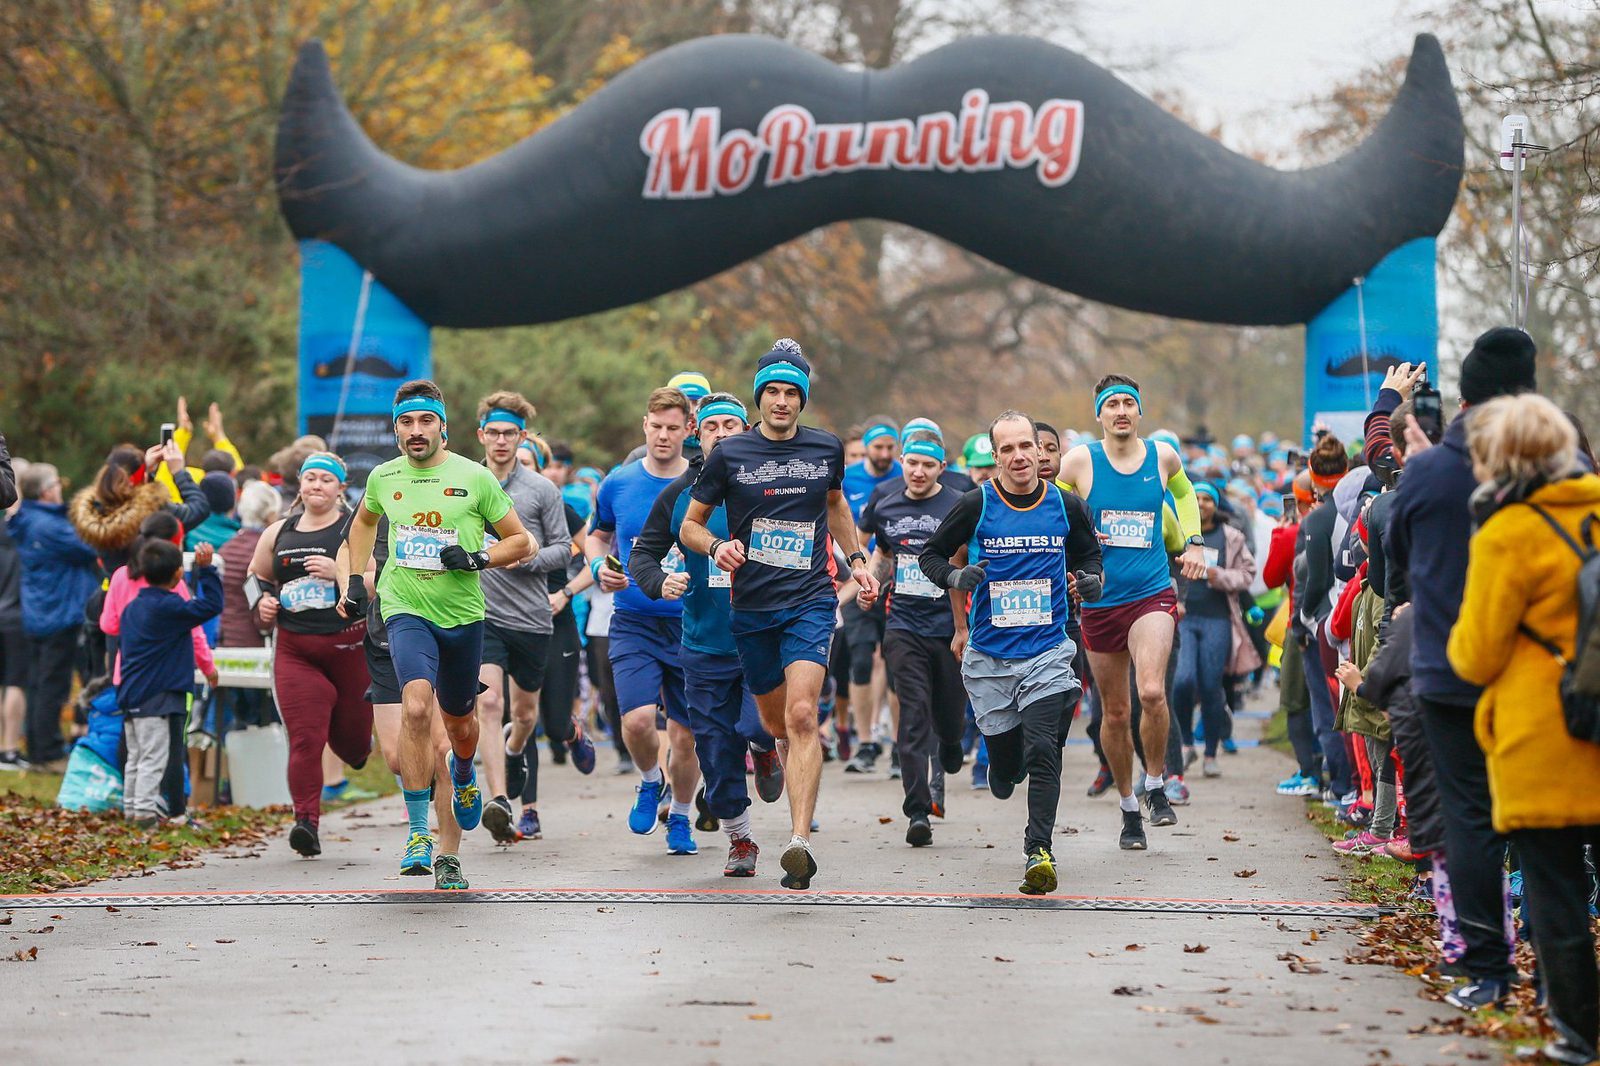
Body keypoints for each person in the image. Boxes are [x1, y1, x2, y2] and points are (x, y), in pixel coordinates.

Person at [681, 339, 881, 889]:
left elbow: (836, 505)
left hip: (811, 600)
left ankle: (798, 841)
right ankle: (765, 751)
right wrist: (714, 547)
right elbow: (690, 525)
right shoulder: (730, 455)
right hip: (752, 608)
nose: (782, 401)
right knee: (773, 723)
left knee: (801, 716)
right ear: (759, 397)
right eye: (773, 391)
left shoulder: (825, 449)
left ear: (803, 401)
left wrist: (857, 560)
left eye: (793, 393)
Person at [1447, 392, 1600, 1063]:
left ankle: (1577, 1034)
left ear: (1501, 459)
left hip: (1547, 738)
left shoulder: (1508, 532)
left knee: (1558, 893)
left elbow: (1475, 654)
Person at [1388, 327, 1536, 1009]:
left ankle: (1488, 970)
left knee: (1469, 820)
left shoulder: (1427, 472)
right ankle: (1559, 975)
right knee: (1545, 820)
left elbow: (1396, 554)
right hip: (1537, 671)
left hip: (1449, 672)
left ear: (1466, 395)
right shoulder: (1563, 462)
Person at [344, 380, 531, 891]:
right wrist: (358, 576)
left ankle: (466, 774)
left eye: (425, 421)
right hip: (405, 608)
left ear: (443, 427)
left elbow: (523, 542)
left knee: (461, 728)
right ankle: (419, 834)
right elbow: (362, 524)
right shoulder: (384, 478)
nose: (415, 431)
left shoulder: (473, 478)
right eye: (406, 422)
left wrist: (477, 558)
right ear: (396, 428)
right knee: (417, 706)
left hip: (463, 617)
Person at [919, 411, 1103, 892]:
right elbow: (931, 555)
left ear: (1042, 452)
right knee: (1005, 769)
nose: (1021, 457)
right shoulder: (975, 503)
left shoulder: (1066, 505)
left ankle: (1038, 851)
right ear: (995, 456)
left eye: (1029, 446)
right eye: (1009, 449)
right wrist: (956, 578)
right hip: (991, 657)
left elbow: (1090, 557)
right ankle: (1001, 762)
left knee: (1044, 748)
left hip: (1047, 649)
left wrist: (1092, 582)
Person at [630, 392, 784, 876]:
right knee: (714, 753)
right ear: (698, 433)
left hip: (762, 637)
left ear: (747, 431)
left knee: (757, 726)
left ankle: (762, 750)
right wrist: (661, 582)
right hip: (703, 644)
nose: (720, 433)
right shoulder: (680, 494)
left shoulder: (773, 488)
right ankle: (741, 839)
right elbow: (642, 555)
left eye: (730, 425)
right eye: (712, 425)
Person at [1059, 375, 1206, 850]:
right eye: (1112, 404)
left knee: (1151, 692)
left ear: (1139, 411)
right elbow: (1049, 510)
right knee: (1116, 713)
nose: (1121, 411)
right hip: (1100, 600)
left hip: (1151, 593)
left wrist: (1195, 541)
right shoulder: (1080, 460)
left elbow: (1185, 495)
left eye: (1129, 403)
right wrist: (1068, 557)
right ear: (1098, 414)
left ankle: (1157, 785)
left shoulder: (1163, 456)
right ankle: (1128, 809)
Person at [585, 387, 703, 854]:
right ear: (645, 425)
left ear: (687, 431)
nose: (664, 436)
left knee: (686, 735)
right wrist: (599, 568)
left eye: (674, 428)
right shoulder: (619, 482)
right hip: (633, 619)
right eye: (656, 427)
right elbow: (597, 537)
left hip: (690, 624)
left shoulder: (702, 487)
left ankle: (681, 816)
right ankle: (649, 780)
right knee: (635, 722)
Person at [472, 391, 581, 844]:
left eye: (509, 434)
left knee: (524, 713)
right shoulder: (465, 483)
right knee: (490, 704)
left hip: (533, 618)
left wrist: (527, 558)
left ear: (522, 438)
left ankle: (516, 751)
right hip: (481, 614)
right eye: (493, 433)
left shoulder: (542, 490)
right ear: (481, 435)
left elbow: (565, 547)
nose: (501, 441)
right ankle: (499, 799)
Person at [248, 453, 371, 858]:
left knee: (353, 746)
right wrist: (263, 604)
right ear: (299, 485)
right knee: (305, 738)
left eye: (326, 480)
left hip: (347, 647)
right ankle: (306, 822)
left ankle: (355, 751)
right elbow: (256, 577)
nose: (317, 485)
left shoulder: (353, 530)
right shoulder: (278, 532)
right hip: (296, 649)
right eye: (310, 478)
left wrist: (338, 575)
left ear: (340, 488)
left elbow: (376, 579)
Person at [861, 432, 966, 846]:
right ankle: (917, 810)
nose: (919, 472)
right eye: (913, 463)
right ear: (902, 462)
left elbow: (962, 559)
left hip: (947, 625)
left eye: (928, 465)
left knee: (948, 713)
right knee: (913, 715)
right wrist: (871, 583)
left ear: (942, 467)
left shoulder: (958, 504)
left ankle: (954, 740)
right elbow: (885, 555)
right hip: (903, 625)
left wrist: (962, 627)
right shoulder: (886, 505)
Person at [99, 512, 217, 823]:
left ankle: (135, 807)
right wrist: (207, 666)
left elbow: (108, 623)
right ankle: (169, 811)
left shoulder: (122, 576)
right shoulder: (170, 589)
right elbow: (194, 630)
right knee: (166, 750)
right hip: (163, 678)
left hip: (127, 672)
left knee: (134, 750)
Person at [12, 463, 101, 769]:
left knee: (39, 683)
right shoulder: (49, 525)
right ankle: (47, 752)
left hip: (41, 609)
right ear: (47, 490)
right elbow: (90, 545)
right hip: (59, 611)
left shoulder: (30, 519)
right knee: (52, 685)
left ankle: (39, 747)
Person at [1170, 482, 1258, 779]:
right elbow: (1165, 569)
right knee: (1182, 682)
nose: (1202, 503)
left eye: (1207, 498)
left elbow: (1248, 574)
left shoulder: (1231, 537)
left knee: (1210, 685)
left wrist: (1217, 575)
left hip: (1218, 619)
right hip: (1184, 617)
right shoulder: (1178, 534)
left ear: (1215, 504)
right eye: (1196, 497)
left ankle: (1210, 752)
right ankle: (1184, 744)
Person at [839, 415, 900, 774]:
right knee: (861, 658)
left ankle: (896, 744)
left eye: (890, 447)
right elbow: (835, 518)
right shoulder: (850, 478)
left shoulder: (905, 475)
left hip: (896, 578)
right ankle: (865, 742)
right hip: (859, 576)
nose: (883, 453)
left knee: (894, 663)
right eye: (878, 446)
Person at [70, 442, 210, 575]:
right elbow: (199, 509)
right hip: (155, 591)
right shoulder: (153, 512)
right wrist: (179, 472)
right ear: (140, 477)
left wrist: (145, 472)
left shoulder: (94, 512)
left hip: (114, 592)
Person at [216, 482, 281, 729]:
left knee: (237, 722)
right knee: (265, 724)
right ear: (270, 515)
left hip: (225, 645)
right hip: (256, 649)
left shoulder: (227, 548)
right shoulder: (266, 551)